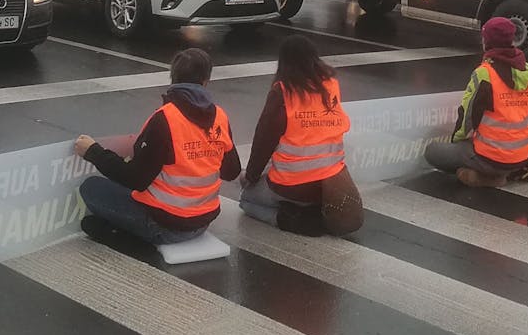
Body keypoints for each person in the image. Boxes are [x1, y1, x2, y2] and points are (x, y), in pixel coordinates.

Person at [73, 48, 241, 246]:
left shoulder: (166, 119)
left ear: (173, 79)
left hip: (166, 225)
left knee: (91, 188)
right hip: (204, 220)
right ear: (205, 82)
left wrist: (93, 151)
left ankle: (134, 238)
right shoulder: (220, 117)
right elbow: (232, 171)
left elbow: (135, 179)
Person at [239, 36, 364, 236]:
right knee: (273, 170)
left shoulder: (282, 93)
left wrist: (250, 177)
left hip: (292, 186)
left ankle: (287, 219)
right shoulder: (330, 85)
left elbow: (263, 143)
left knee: (246, 200)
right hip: (327, 185)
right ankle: (308, 210)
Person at [425, 17, 528, 187]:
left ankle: (486, 177)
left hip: (491, 157)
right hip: (521, 156)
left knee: (432, 152)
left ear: (487, 42)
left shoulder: (485, 74)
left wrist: (457, 143)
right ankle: (503, 172)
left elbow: (467, 117)